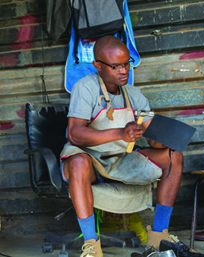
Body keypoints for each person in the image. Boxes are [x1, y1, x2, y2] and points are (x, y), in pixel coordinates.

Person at [60, 35, 183, 257]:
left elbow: (155, 142)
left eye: (126, 63)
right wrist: (120, 132)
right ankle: (91, 245)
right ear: (98, 65)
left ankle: (159, 236)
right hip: (88, 161)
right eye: (116, 66)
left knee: (173, 156)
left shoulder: (134, 95)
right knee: (78, 161)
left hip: (119, 160)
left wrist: (155, 133)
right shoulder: (85, 88)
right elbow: (75, 134)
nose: (123, 70)